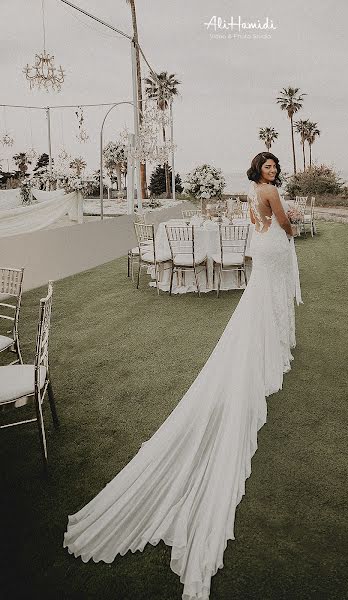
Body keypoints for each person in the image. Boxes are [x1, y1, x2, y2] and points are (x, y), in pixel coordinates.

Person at [64, 152, 302, 600]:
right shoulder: (269, 192)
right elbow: (285, 223)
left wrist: (274, 232)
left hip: (261, 247)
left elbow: (259, 222)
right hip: (273, 248)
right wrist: (290, 233)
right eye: (267, 167)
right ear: (260, 171)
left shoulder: (252, 193)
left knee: (263, 301)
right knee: (269, 299)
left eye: (274, 167)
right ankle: (274, 347)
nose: (271, 172)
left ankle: (272, 343)